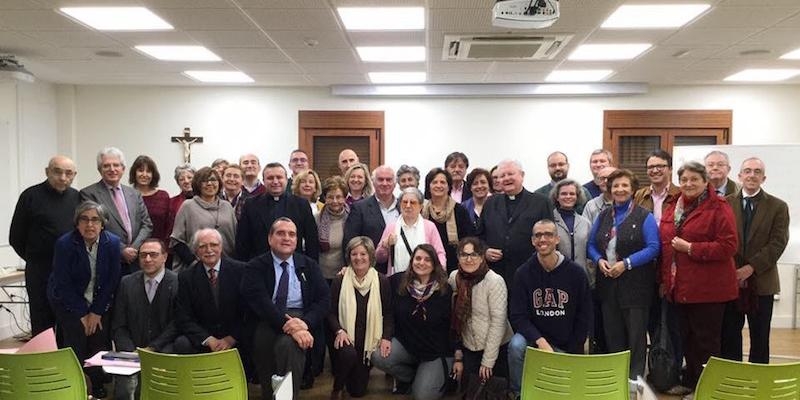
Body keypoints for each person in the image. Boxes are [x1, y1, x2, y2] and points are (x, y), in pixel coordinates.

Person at [659, 161, 738, 396]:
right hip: (679, 287)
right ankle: (693, 383)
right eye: (684, 179)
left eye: (694, 179)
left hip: (708, 290)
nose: (688, 184)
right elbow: (666, 246)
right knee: (688, 341)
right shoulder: (673, 205)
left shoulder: (719, 207)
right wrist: (664, 280)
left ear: (705, 182)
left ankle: (709, 389)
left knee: (707, 343)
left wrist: (691, 248)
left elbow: (728, 246)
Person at [241, 218, 330, 399]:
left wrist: (304, 323)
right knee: (264, 340)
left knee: (290, 345)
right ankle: (270, 394)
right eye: (280, 233)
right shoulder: (255, 266)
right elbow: (260, 302)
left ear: (297, 240)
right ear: (270, 238)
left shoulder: (309, 265)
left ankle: (287, 397)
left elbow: (324, 299)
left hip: (300, 316)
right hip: (267, 318)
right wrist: (289, 326)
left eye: (292, 234)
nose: (286, 238)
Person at [587, 168, 659, 380]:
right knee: (613, 334)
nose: (620, 189)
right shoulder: (603, 216)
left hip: (636, 287)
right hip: (608, 285)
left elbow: (654, 247)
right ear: (610, 190)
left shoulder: (644, 215)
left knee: (636, 337)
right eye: (616, 186)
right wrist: (598, 260)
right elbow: (591, 245)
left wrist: (626, 263)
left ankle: (635, 379)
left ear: (633, 189)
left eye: (624, 185)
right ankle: (616, 378)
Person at [508, 220, 592, 396]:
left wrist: (573, 351)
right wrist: (540, 340)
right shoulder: (523, 273)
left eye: (548, 234)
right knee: (515, 346)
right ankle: (519, 393)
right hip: (534, 339)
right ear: (532, 241)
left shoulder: (576, 273)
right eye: (538, 235)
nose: (542, 239)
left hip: (565, 342)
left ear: (557, 239)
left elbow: (584, 316)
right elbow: (518, 316)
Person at [48, 201, 122, 399]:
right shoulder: (65, 244)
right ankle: (74, 384)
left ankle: (97, 383)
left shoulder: (113, 243)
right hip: (68, 302)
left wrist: (96, 312)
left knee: (99, 342)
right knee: (75, 342)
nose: (90, 225)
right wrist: (82, 313)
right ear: (77, 223)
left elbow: (112, 280)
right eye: (84, 219)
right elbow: (63, 282)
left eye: (95, 220)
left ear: (102, 224)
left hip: (99, 301)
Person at [721, 158, 789, 364]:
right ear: (739, 176)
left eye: (757, 171)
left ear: (763, 178)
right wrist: (735, 269)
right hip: (730, 279)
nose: (752, 175)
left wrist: (751, 268)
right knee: (730, 335)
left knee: (760, 336)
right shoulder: (725, 203)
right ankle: (732, 379)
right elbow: (722, 238)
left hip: (762, 281)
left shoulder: (778, 206)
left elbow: (778, 242)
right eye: (747, 171)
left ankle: (758, 381)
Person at [371, 244, 455, 399]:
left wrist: (458, 355)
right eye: (418, 258)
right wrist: (347, 271)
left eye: (427, 260)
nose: (421, 263)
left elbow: (453, 326)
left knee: (421, 396)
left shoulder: (444, 290)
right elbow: (374, 279)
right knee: (377, 356)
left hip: (435, 352)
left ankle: (430, 379)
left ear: (434, 264)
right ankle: (414, 377)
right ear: (412, 261)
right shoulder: (398, 282)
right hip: (408, 346)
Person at [10, 155, 80, 336]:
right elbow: (16, 237)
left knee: (68, 323)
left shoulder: (77, 197)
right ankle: (42, 363)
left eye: (68, 173)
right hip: (39, 273)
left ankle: (67, 364)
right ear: (47, 172)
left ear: (74, 175)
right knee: (42, 325)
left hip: (69, 273)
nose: (63, 177)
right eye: (57, 172)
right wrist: (37, 259)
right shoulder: (30, 196)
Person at [111, 238, 179, 400]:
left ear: (165, 257)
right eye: (143, 255)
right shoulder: (126, 283)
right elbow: (118, 325)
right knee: (124, 388)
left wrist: (152, 349)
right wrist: (131, 352)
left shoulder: (178, 282)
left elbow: (177, 324)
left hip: (165, 349)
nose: (148, 259)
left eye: (153, 255)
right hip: (131, 350)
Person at [328, 237, 393, 399]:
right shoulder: (340, 279)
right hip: (345, 339)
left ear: (371, 256)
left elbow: (389, 313)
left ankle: (353, 373)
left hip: (368, 342)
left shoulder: (382, 281)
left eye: (363, 254)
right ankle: (336, 388)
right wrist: (339, 330)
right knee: (348, 355)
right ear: (348, 256)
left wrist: (386, 337)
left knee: (357, 392)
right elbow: (329, 312)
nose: (358, 258)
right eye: (354, 254)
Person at [478, 159, 552, 288]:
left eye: (510, 174)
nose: (506, 178)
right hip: (495, 274)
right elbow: (479, 235)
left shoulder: (541, 203)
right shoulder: (490, 203)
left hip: (531, 273)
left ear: (522, 175)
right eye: (502, 176)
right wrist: (485, 250)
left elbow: (549, 238)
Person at [449, 237, 512, 387]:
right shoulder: (454, 278)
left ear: (482, 257)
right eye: (464, 255)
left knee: (493, 390)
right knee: (469, 390)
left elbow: (498, 323)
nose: (468, 259)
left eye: (474, 254)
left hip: (496, 347)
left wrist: (488, 361)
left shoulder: (494, 281)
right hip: (470, 346)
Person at [80, 147, 153, 275]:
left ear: (123, 169)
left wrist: (134, 249)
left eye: (116, 165)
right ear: (99, 170)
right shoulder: (89, 194)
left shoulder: (134, 194)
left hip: (136, 261)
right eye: (106, 166)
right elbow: (92, 227)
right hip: (108, 259)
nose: (112, 169)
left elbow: (147, 224)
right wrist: (121, 249)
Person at [174, 228, 246, 354]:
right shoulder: (186, 277)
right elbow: (183, 317)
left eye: (213, 245)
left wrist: (232, 338)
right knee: (182, 342)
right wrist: (207, 339)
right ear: (196, 251)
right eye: (203, 246)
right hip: (204, 339)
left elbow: (248, 312)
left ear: (221, 247)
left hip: (236, 338)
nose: (209, 250)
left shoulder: (241, 271)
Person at [235, 162, 319, 261]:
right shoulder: (251, 205)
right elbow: (242, 242)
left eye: (279, 177)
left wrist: (310, 269)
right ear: (264, 181)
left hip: (293, 265)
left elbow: (311, 241)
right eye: (270, 178)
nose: (275, 181)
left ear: (286, 180)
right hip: (259, 266)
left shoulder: (301, 205)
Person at [170, 167, 237, 270]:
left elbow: (235, 237)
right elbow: (177, 241)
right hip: (196, 267)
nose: (209, 183)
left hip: (226, 266)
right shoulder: (188, 206)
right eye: (204, 181)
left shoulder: (227, 206)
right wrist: (194, 263)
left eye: (213, 180)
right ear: (197, 184)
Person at [343, 165, 400, 274]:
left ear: (395, 183)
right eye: (380, 180)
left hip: (400, 271)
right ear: (373, 182)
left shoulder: (403, 207)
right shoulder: (359, 208)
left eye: (388, 180)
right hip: (370, 271)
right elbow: (350, 242)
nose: (384, 183)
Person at [376, 188, 446, 276]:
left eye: (412, 202)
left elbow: (439, 253)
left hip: (425, 279)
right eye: (405, 202)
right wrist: (384, 245)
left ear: (421, 206)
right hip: (398, 280)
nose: (408, 205)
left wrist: (439, 272)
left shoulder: (429, 227)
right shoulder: (392, 227)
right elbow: (379, 258)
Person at [422, 168, 475, 272]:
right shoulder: (422, 211)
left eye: (443, 182)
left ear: (448, 186)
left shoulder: (459, 210)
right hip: (426, 264)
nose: (438, 185)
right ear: (428, 186)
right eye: (434, 182)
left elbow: (469, 239)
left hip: (456, 265)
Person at [129, 155, 171, 245]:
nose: (144, 175)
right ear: (134, 173)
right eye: (140, 170)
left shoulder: (163, 196)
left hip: (159, 249)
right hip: (133, 249)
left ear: (153, 175)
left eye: (148, 171)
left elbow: (169, 225)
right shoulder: (127, 196)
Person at [550, 179, 591, 270]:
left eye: (572, 194)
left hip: (581, 274)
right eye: (564, 194)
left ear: (577, 197)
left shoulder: (585, 223)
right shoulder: (550, 221)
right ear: (557, 197)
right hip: (556, 274)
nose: (568, 197)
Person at [633, 149, 680, 226]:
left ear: (670, 169)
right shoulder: (639, 195)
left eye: (660, 166)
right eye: (651, 167)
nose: (655, 171)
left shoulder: (679, 194)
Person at [317, 176, 350, 281]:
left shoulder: (352, 218)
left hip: (345, 274)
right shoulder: (316, 218)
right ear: (325, 198)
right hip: (321, 274)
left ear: (345, 198)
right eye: (330, 197)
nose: (335, 201)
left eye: (339, 197)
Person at [167, 163, 196, 234]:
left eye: (189, 177)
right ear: (178, 183)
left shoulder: (205, 199)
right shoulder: (171, 202)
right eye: (182, 179)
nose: (186, 181)